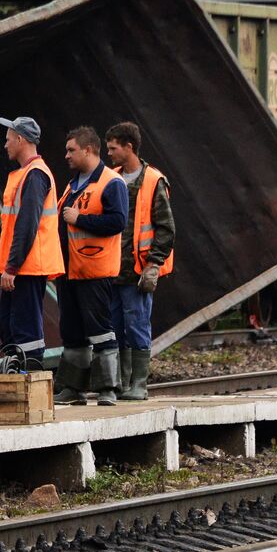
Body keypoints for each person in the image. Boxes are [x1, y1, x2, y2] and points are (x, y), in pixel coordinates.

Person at [54, 126, 128, 405]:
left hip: (95, 270)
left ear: (88, 150)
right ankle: (74, 389)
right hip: (70, 270)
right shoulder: (74, 184)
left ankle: (108, 388)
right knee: (72, 331)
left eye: (71, 150)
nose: (66, 155)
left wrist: (80, 219)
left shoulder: (111, 183)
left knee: (100, 329)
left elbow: (117, 222)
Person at [105, 122, 174, 401]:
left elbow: (166, 228)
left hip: (136, 271)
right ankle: (122, 383)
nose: (108, 153)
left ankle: (139, 384)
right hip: (112, 270)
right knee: (115, 327)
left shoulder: (153, 181)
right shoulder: (111, 178)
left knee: (136, 326)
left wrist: (153, 264)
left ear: (128, 147)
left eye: (113, 148)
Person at [0, 116, 63, 371]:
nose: (6, 145)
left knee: (25, 330)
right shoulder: (26, 174)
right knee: (8, 325)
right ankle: (17, 376)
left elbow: (27, 225)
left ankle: (30, 379)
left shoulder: (35, 175)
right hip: (22, 265)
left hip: (28, 266)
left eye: (9, 139)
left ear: (21, 139)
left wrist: (12, 266)